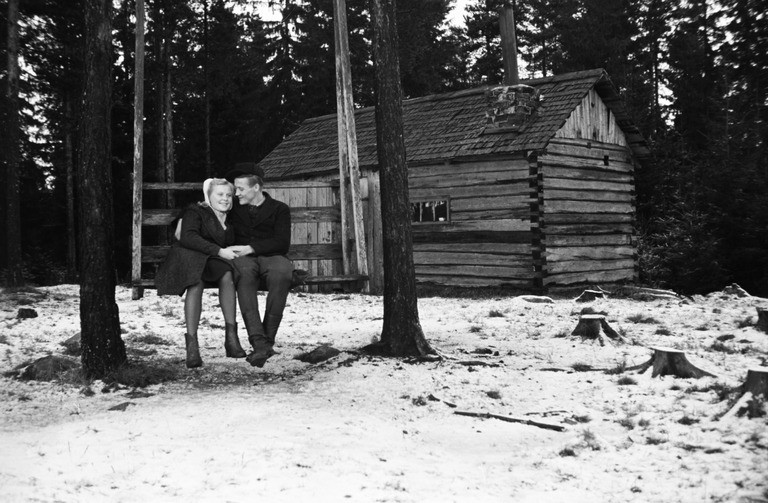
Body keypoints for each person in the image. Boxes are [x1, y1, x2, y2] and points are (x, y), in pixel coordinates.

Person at [156, 178, 248, 368]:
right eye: (220, 195)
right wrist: (220, 251)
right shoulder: (195, 211)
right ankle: (192, 346)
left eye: (229, 195)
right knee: (195, 282)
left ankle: (231, 338)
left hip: (211, 259)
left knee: (227, 275)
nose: (225, 199)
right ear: (208, 196)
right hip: (188, 257)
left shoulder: (230, 217)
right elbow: (188, 237)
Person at [224, 163, 293, 368]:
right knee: (244, 277)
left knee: (282, 274)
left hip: (272, 256)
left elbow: (282, 242)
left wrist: (251, 248)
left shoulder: (280, 209)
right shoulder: (233, 207)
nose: (236, 193)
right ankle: (258, 341)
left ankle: (266, 341)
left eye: (240, 189)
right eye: (235, 189)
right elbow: (208, 206)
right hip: (243, 260)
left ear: (256, 188)